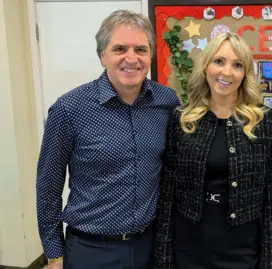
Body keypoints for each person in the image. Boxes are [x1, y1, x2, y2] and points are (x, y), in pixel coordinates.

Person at [36, 10, 179, 269]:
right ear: (102, 55)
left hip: (151, 245)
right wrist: (54, 254)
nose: (131, 58)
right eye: (120, 48)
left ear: (151, 55)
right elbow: (48, 187)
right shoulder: (69, 109)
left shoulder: (167, 102)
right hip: (91, 250)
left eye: (141, 49)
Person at [154, 32, 272, 269]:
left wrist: (271, 262)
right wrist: (163, 260)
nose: (227, 72)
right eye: (219, 61)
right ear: (206, 67)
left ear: (245, 74)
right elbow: (168, 196)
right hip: (190, 249)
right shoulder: (182, 119)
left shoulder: (267, 121)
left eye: (237, 65)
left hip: (243, 250)